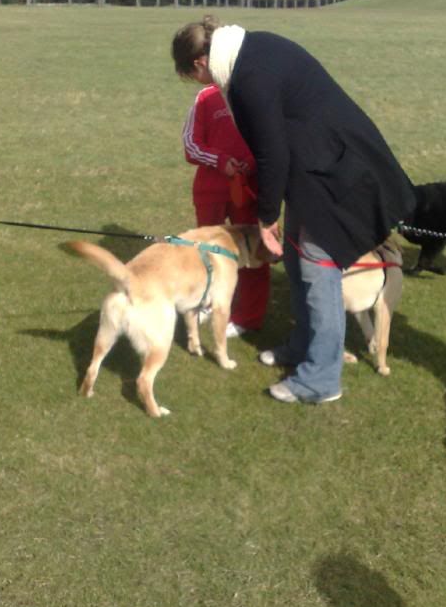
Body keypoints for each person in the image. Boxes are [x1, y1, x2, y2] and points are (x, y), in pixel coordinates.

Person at [171, 20, 416, 404]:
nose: (202, 84)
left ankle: (321, 378)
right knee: (299, 257)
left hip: (336, 173)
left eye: (194, 75)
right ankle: (303, 345)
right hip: (315, 171)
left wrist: (266, 217)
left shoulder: (250, 74)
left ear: (201, 61)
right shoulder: (251, 49)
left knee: (319, 266)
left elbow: (272, 150)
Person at [180, 19, 269, 338]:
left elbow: (269, 141)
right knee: (206, 250)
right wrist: (221, 161)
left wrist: (248, 164)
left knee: (253, 255)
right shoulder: (204, 98)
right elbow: (191, 145)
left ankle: (248, 317)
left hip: (249, 191)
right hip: (211, 192)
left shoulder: (248, 88)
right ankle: (205, 302)